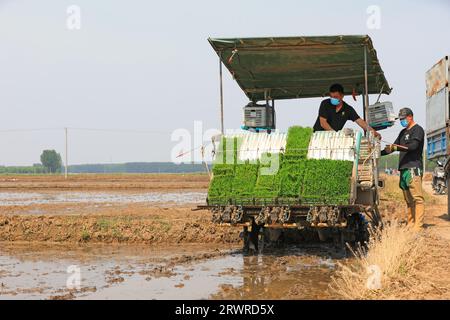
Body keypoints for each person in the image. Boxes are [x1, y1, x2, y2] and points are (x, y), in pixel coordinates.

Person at [382, 107, 425, 231]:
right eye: (400, 119)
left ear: (410, 117)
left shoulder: (418, 130)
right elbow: (393, 147)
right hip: (403, 169)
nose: (401, 121)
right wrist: (379, 153)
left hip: (413, 167)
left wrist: (396, 148)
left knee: (417, 198)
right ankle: (411, 223)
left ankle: (419, 225)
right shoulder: (402, 132)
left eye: (403, 119)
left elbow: (413, 146)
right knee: (408, 199)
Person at [313, 83, 381, 138]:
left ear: (342, 96)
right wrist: (335, 134)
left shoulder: (348, 109)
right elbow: (323, 123)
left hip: (334, 138)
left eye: (335, 97)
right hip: (319, 136)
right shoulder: (325, 104)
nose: (333, 99)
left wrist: (374, 132)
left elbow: (360, 122)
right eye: (331, 97)